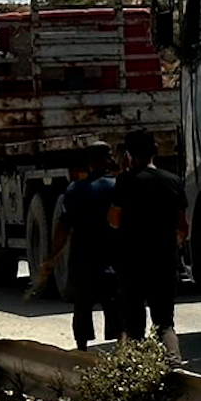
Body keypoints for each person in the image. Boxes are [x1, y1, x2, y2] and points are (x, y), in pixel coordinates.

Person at [108, 130, 189, 362]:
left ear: (129, 154)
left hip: (132, 262)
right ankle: (173, 363)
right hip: (164, 259)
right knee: (165, 322)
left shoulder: (125, 182)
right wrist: (172, 246)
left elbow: (113, 220)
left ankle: (136, 371)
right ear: (156, 151)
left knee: (134, 320)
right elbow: (183, 227)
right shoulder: (173, 181)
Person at [35, 141, 119, 351]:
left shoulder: (74, 190)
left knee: (81, 309)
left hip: (81, 264)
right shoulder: (117, 187)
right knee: (116, 310)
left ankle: (81, 351)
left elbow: (63, 229)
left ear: (88, 163)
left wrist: (51, 258)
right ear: (109, 159)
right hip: (112, 263)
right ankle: (122, 353)